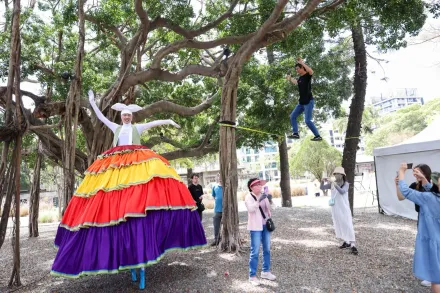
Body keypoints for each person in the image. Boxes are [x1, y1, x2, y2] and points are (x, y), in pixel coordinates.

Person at [50, 90, 207, 290]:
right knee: (111, 198)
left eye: (128, 114)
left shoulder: (138, 127)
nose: (126, 116)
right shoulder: (115, 127)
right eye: (124, 114)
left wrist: (170, 121)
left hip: (136, 165)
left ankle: (141, 252)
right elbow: (99, 117)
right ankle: (127, 253)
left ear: (132, 116)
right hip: (115, 167)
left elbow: (155, 123)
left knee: (140, 197)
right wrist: (91, 102)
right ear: (121, 116)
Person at [397, 164, 440, 293]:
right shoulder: (432, 196)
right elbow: (432, 190)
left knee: (436, 278)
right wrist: (424, 179)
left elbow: (405, 192)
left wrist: (401, 173)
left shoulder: (429, 198)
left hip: (434, 240)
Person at [320, 167, 358, 255]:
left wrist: (333, 183)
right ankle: (346, 241)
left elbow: (342, 191)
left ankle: (352, 244)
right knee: (339, 224)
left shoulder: (346, 184)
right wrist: (323, 181)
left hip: (344, 208)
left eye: (339, 174)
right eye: (335, 173)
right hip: (335, 208)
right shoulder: (333, 184)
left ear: (342, 175)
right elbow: (322, 187)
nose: (337, 175)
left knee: (347, 224)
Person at [245, 178, 276, 286]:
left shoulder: (264, 195)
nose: (260, 186)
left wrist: (270, 200)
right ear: (251, 187)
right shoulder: (249, 197)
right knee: (255, 251)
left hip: (265, 225)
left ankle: (265, 271)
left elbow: (271, 208)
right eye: (257, 185)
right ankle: (252, 275)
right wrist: (258, 201)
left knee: (267, 248)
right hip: (255, 227)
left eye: (260, 184)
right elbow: (251, 209)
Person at [286, 58, 322, 141]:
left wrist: (302, 63)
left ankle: (317, 136)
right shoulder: (300, 78)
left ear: (302, 68)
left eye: (298, 69)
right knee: (292, 116)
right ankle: (295, 134)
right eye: (296, 69)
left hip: (308, 102)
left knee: (307, 121)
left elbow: (311, 71)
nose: (296, 71)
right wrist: (290, 78)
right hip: (301, 103)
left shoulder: (307, 76)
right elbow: (296, 82)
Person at [211, 175, 223, 246]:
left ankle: (227, 239)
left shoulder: (227, 186)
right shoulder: (215, 186)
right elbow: (213, 195)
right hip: (217, 210)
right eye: (219, 177)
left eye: (221, 177)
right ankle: (217, 240)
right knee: (216, 226)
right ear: (218, 178)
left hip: (227, 211)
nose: (220, 179)